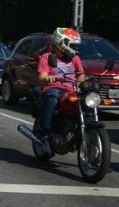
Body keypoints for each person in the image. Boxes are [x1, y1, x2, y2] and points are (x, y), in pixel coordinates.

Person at [35, 26, 85, 158]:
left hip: (70, 90)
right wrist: (47, 78)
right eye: (72, 45)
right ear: (61, 43)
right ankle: (45, 135)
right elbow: (41, 78)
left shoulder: (74, 58)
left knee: (87, 101)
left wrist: (80, 84)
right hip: (54, 88)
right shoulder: (47, 57)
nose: (74, 48)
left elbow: (81, 74)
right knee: (52, 98)